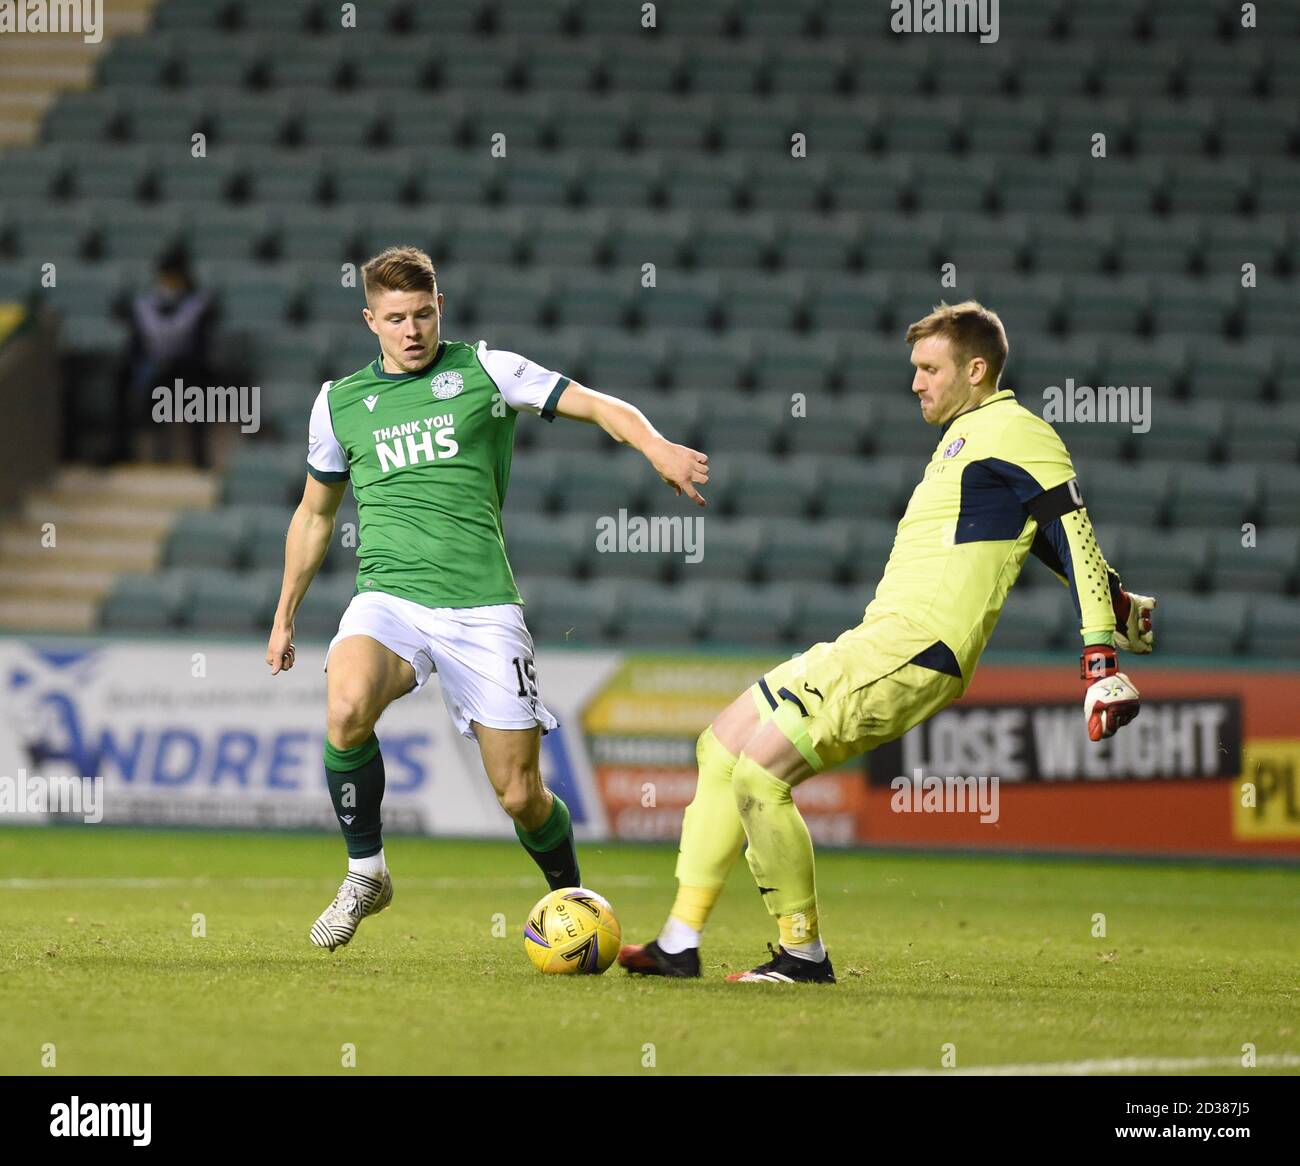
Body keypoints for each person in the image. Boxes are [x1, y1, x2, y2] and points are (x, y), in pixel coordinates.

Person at [619, 301, 1157, 984]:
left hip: (919, 648)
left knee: (761, 774)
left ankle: (801, 956)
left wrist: (1099, 658)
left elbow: (1072, 528)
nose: (916, 383)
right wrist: (1114, 599)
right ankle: (678, 942)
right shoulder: (971, 439)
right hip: (876, 639)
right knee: (720, 745)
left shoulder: (1017, 429)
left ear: (977, 369)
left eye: (930, 369)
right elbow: (1048, 537)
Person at [265, 245, 709, 951]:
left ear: (439, 307)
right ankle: (366, 872)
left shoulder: (487, 370)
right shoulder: (339, 403)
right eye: (394, 319)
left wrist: (655, 447)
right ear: (369, 321)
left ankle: (571, 900)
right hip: (388, 598)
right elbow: (315, 515)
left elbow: (593, 403)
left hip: (482, 609)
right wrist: (285, 615)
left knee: (520, 796)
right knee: (346, 705)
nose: (410, 331)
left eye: (421, 315)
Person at [112, 248, 216, 467]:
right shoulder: (145, 306)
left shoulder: (198, 307)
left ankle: (200, 455)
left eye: (174, 277)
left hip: (185, 372)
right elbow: (135, 347)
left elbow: (201, 350)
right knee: (121, 376)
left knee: (200, 380)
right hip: (152, 371)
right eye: (166, 277)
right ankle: (121, 448)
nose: (169, 282)